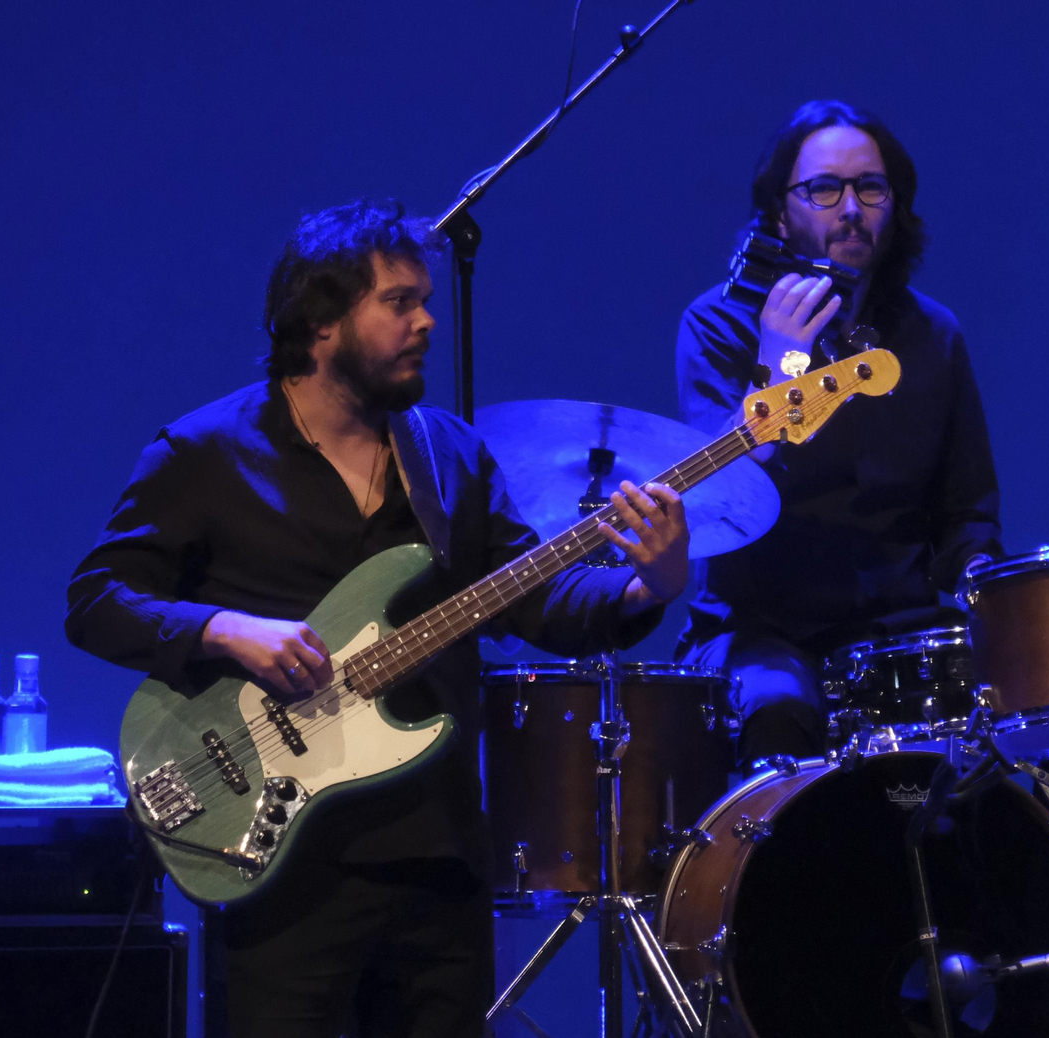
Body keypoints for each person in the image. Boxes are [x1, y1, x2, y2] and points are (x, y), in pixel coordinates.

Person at [66, 198, 689, 1038]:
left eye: (427, 300)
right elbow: (98, 602)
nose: (427, 320)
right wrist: (225, 630)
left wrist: (646, 585)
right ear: (321, 321)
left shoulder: (448, 456)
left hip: (435, 859)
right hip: (281, 864)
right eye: (399, 302)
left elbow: (534, 597)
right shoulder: (204, 454)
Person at [674, 99, 1001, 765]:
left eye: (870, 187)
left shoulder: (933, 334)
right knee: (779, 710)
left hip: (897, 625)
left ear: (895, 205)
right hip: (761, 628)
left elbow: (967, 510)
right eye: (824, 188)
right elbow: (720, 497)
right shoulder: (716, 325)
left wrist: (985, 583)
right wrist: (781, 358)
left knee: (1004, 709)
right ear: (780, 210)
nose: (850, 208)